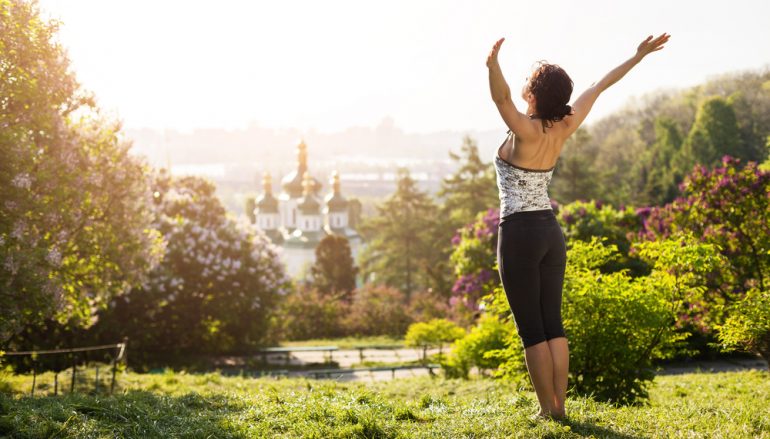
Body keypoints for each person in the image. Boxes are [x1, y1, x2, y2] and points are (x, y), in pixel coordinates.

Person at [486, 33, 670, 421]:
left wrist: (492, 65)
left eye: (530, 77)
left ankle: (547, 411)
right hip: (551, 233)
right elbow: (599, 85)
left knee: (532, 331)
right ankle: (560, 408)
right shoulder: (563, 126)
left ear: (534, 92)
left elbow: (501, 98)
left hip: (519, 234)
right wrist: (636, 57)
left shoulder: (527, 130)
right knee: (553, 324)